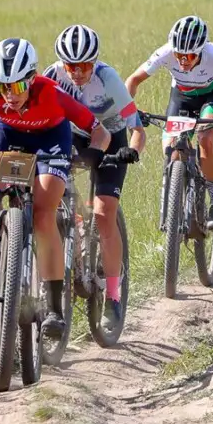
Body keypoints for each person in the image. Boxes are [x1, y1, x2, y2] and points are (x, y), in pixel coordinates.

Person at [0, 38, 111, 338]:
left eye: (17, 87)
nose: (9, 95)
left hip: (50, 138)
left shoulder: (52, 94)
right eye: (2, 87)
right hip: (6, 132)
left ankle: (53, 307)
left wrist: (94, 153)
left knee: (43, 212)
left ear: (31, 79)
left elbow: (99, 132)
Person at [43, 23, 144, 325]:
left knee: (103, 213)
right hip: (72, 136)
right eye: (71, 65)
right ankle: (69, 248)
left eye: (85, 65)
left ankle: (113, 297)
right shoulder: (51, 76)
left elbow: (137, 128)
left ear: (95, 60)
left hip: (111, 139)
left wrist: (133, 151)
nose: (77, 72)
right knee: (54, 197)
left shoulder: (108, 79)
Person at [124, 15, 213, 230]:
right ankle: (177, 195)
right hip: (182, 96)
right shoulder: (166, 51)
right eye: (179, 55)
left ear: (201, 50)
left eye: (190, 55)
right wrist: (129, 111)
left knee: (206, 139)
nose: (183, 60)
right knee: (170, 148)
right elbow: (133, 80)